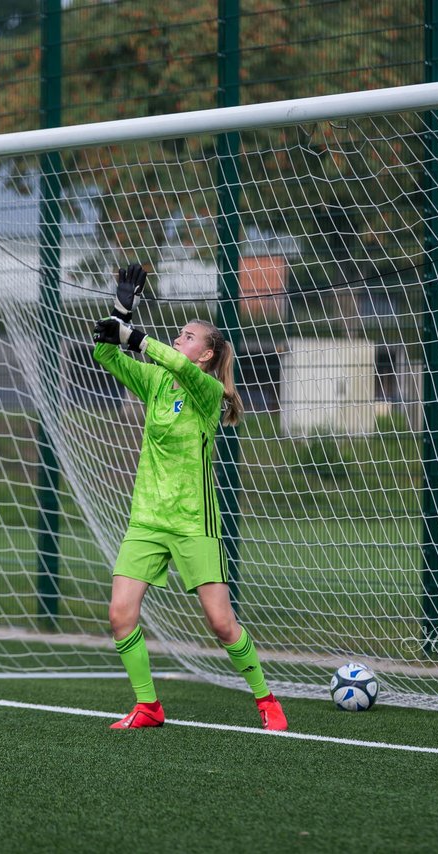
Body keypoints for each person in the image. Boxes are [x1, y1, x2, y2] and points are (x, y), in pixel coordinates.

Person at [91, 264, 288, 731]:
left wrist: (134, 336)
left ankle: (266, 699)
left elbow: (165, 359)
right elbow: (104, 353)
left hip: (193, 521)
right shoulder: (156, 383)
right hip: (147, 517)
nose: (180, 340)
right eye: (179, 334)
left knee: (221, 624)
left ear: (206, 354)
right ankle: (148, 707)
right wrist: (121, 307)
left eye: (188, 336)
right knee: (120, 614)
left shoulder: (209, 392)